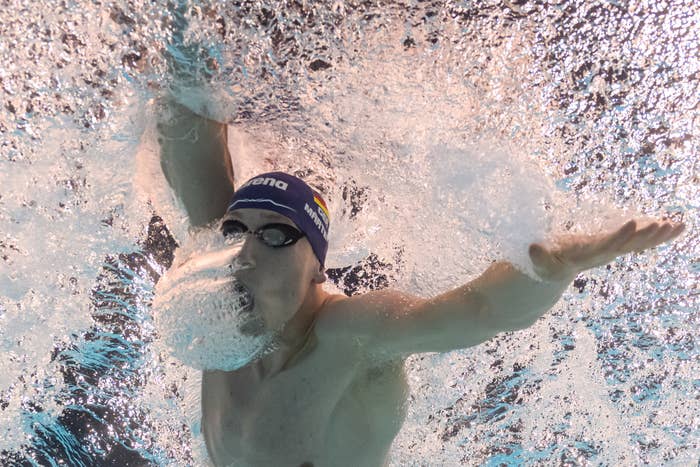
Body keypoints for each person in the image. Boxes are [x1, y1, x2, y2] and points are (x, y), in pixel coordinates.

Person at [156, 99, 684, 467]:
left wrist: (551, 269)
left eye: (275, 235)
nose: (244, 251)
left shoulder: (352, 336)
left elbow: (479, 310)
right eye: (236, 231)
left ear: (318, 266)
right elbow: (189, 139)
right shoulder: (217, 285)